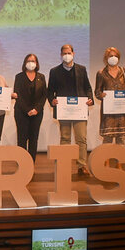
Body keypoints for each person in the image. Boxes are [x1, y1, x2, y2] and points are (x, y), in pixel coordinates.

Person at [48, 44, 94, 177]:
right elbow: (50, 90)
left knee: (81, 138)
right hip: (64, 111)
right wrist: (52, 100)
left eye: (69, 52)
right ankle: (64, 165)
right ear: (61, 55)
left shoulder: (81, 69)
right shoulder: (54, 71)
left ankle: (82, 165)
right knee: (65, 138)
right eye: (64, 53)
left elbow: (88, 88)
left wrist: (90, 99)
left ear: (73, 53)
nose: (67, 55)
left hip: (79, 110)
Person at [94, 47, 125, 149]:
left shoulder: (124, 71)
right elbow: (97, 92)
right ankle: (106, 161)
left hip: (122, 112)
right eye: (111, 56)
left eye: (115, 56)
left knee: (121, 139)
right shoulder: (101, 73)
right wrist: (101, 95)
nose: (113, 58)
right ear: (106, 58)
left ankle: (120, 163)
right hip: (109, 112)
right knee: (107, 139)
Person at [12, 54, 48, 162]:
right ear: (24, 62)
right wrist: (27, 110)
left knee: (33, 139)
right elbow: (18, 95)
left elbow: (44, 95)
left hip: (37, 113)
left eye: (33, 61)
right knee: (22, 139)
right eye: (28, 60)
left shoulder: (41, 77)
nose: (31, 63)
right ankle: (22, 163)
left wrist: (36, 109)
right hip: (21, 112)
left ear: (37, 63)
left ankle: (32, 162)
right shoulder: (19, 76)